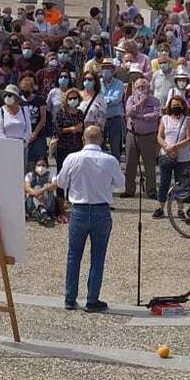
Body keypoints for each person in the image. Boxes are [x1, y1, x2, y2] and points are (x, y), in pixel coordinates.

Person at [48, 124, 119, 312]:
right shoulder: (110, 160)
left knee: (74, 255)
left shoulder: (73, 158)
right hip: (101, 211)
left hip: (79, 209)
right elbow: (119, 183)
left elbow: (61, 183)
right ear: (101, 140)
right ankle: (92, 299)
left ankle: (70, 298)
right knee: (98, 256)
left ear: (83, 139)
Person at [152, 94, 190, 220]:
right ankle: (160, 207)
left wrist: (175, 147)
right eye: (174, 105)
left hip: (182, 156)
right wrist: (167, 147)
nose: (176, 107)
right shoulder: (164, 119)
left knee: (181, 183)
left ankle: (180, 209)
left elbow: (189, 138)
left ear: (183, 106)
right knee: (164, 183)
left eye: (178, 105)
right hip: (166, 155)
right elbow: (159, 136)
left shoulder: (189, 120)